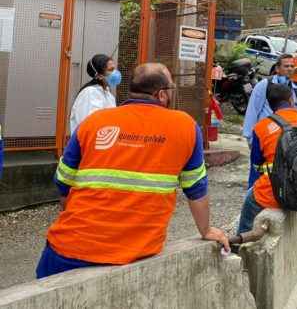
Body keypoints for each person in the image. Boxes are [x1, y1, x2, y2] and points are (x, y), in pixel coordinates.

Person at [36, 63, 229, 279]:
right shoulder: (185, 127)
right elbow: (197, 189)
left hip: (67, 250)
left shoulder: (94, 122)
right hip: (135, 255)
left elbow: (63, 182)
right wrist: (206, 230)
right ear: (162, 94)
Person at [238, 83, 297, 234]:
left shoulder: (261, 127)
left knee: (249, 202)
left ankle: (239, 244)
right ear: (292, 99)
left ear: (270, 105)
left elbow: (257, 165)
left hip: (275, 194)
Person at [242, 54, 297, 145]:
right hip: (264, 137)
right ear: (277, 69)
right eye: (286, 66)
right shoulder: (265, 85)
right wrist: (250, 137)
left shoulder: (296, 91)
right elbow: (253, 110)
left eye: (292, 66)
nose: (290, 69)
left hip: (285, 142)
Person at [69, 54, 120, 133]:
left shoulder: (108, 93)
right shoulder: (90, 93)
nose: (115, 73)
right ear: (99, 76)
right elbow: (90, 125)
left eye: (114, 69)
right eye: (111, 70)